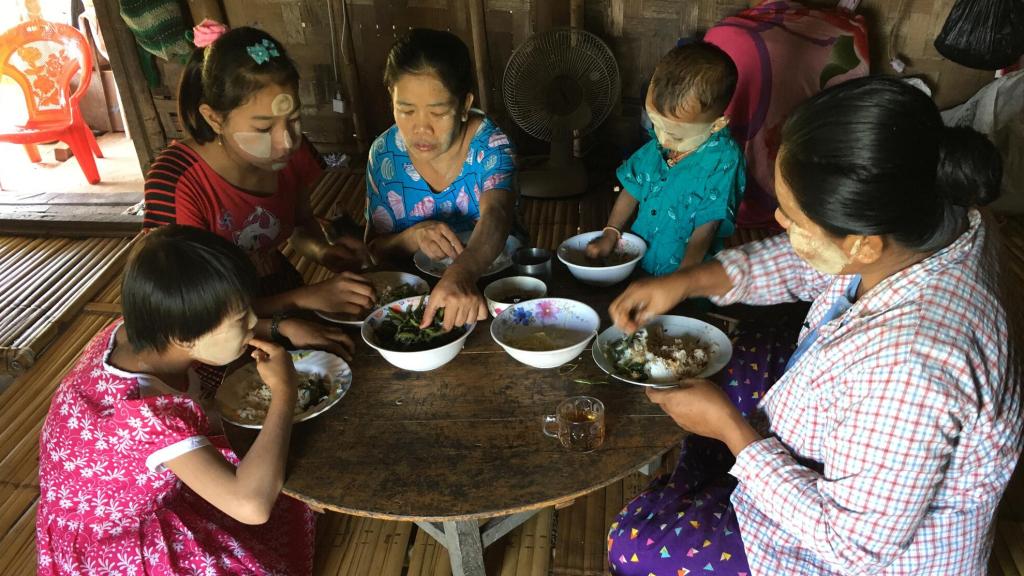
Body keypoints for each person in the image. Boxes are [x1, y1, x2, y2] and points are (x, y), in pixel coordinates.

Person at [605, 77, 1022, 575]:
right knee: (737, 357)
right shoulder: (932, 216)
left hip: (864, 557)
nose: (780, 221)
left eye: (796, 220)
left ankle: (724, 476)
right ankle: (724, 475)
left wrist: (732, 432)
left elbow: (853, 547)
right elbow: (813, 260)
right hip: (860, 429)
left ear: (862, 244)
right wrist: (691, 280)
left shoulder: (913, 370)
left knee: (635, 545)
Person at [36, 225, 314, 575]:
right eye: (242, 318)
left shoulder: (133, 331)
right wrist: (284, 393)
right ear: (184, 334)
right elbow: (251, 507)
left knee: (269, 467)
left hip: (111, 494)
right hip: (111, 542)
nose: (255, 323)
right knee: (266, 501)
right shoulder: (148, 415)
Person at [143, 22, 371, 358]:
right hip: (211, 340)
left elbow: (300, 223)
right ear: (214, 118)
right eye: (263, 127)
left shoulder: (288, 156)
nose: (287, 141)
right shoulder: (177, 183)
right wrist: (291, 313)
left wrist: (324, 252)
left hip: (278, 295)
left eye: (294, 120)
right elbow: (185, 311)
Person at [364, 28, 519, 331]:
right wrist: (412, 237)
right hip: (412, 308)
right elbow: (375, 250)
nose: (421, 128)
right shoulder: (384, 155)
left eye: (437, 112)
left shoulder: (491, 146)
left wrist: (461, 273)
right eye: (406, 110)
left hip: (495, 292)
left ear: (464, 105)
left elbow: (497, 214)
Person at [703, 1, 870, 229]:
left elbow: (703, 137)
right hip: (825, 205)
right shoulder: (848, 30)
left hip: (737, 208)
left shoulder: (728, 36)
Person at [586, 42, 745, 277]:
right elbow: (633, 186)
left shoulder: (723, 160)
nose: (661, 138)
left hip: (687, 274)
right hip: (641, 264)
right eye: (655, 124)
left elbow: (708, 224)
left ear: (716, 125)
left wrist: (682, 280)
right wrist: (611, 232)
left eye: (674, 133)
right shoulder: (659, 144)